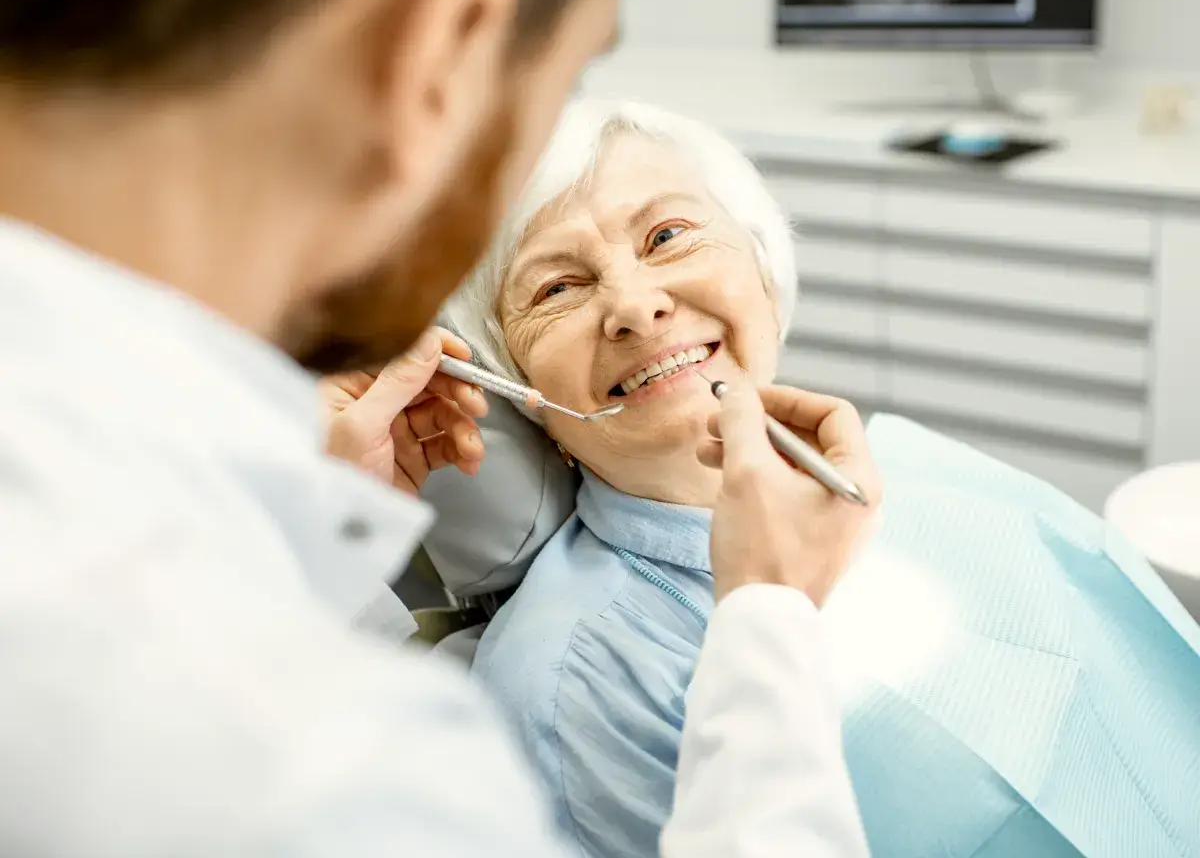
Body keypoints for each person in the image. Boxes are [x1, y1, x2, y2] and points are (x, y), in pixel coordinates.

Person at [0, 0, 879, 857]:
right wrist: (765, 626)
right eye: (572, 72)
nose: (635, 302)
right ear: (441, 49)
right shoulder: (332, 771)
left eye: (670, 234)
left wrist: (301, 525)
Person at [445, 99, 1200, 858]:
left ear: (763, 267)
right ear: (518, 387)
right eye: (557, 289)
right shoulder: (572, 682)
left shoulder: (913, 470)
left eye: (668, 236)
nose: (636, 306)